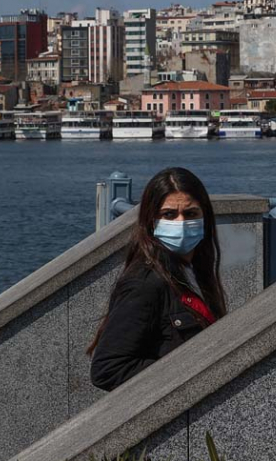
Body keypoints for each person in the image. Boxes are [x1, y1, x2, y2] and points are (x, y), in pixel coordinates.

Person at [88, 167, 227, 390]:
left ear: (205, 217)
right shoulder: (145, 284)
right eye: (169, 214)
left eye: (190, 214)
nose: (181, 223)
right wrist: (186, 376)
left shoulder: (194, 272)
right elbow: (108, 369)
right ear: (152, 221)